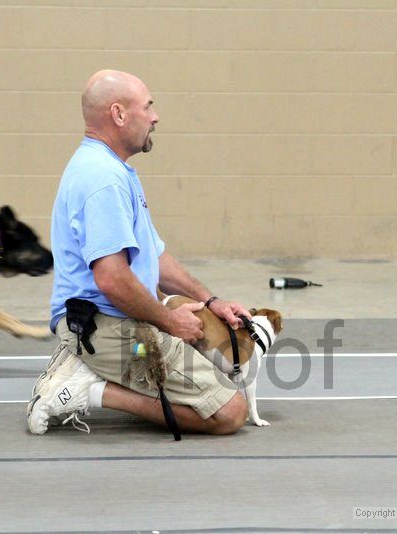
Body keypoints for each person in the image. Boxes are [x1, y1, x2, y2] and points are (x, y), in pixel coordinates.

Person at [27, 69, 251, 436]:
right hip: (109, 330)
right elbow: (112, 279)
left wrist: (210, 301)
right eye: (148, 107)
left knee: (193, 337)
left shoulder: (112, 169)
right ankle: (91, 389)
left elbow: (155, 258)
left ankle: (95, 370)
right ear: (118, 114)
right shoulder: (103, 179)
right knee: (229, 413)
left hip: (110, 322)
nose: (155, 116)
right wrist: (170, 322)